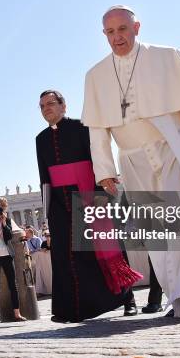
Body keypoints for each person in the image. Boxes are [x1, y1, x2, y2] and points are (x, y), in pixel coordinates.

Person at [82, 5, 180, 318]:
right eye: (110, 32)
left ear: (137, 27)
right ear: (104, 35)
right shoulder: (95, 76)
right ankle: (176, 295)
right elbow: (97, 130)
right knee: (156, 231)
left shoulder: (167, 56)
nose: (117, 37)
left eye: (123, 29)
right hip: (133, 161)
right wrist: (105, 171)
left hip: (173, 149)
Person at [36, 90, 140, 322]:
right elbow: (45, 177)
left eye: (51, 103)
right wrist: (49, 209)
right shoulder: (40, 139)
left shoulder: (83, 126)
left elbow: (99, 158)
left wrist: (103, 190)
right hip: (60, 204)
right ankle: (74, 308)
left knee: (110, 247)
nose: (46, 109)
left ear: (64, 105)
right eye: (42, 106)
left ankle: (127, 299)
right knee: (68, 256)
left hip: (90, 194)